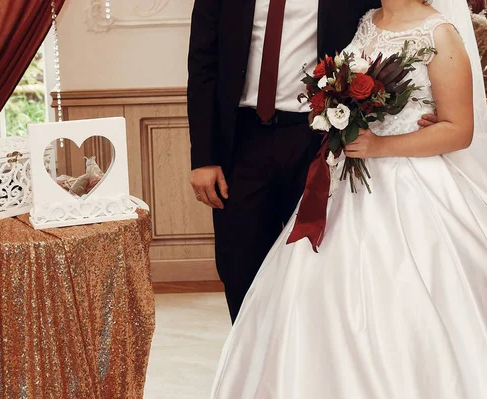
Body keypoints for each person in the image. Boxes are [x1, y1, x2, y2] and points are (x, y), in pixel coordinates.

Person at [210, 0, 487, 398]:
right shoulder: (367, 20)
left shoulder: (439, 33)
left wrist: (383, 145)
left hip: (409, 184)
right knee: (317, 295)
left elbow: (459, 130)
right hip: (347, 180)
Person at [186, 0, 439, 323]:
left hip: (319, 139)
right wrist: (204, 157)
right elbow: (203, 65)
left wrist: (424, 106)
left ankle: (303, 367)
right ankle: (251, 368)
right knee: (239, 266)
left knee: (315, 268)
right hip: (242, 140)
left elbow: (393, 25)